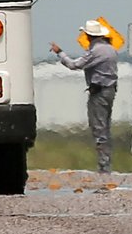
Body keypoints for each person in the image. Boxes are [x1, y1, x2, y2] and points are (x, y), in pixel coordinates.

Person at [50, 20, 118, 174]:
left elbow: (74, 65)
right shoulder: (110, 49)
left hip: (99, 92)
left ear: (89, 35)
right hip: (110, 90)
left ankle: (104, 166)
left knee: (99, 128)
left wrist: (60, 53)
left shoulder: (96, 51)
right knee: (105, 127)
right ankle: (106, 162)